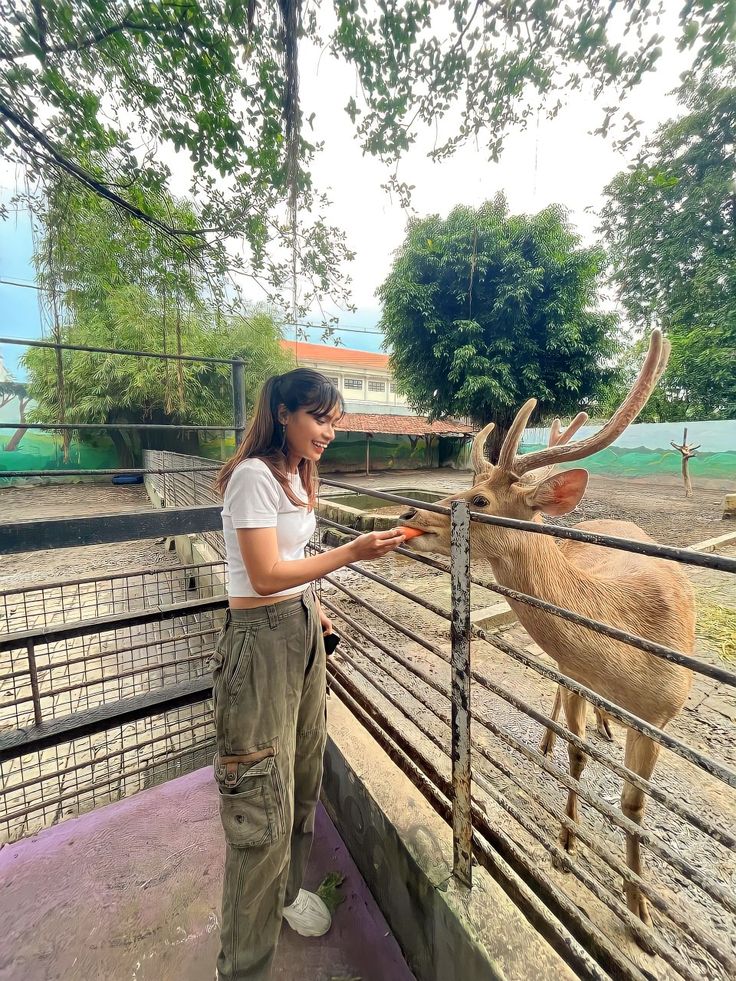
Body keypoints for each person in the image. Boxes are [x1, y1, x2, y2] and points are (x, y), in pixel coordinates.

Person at [212, 367, 405, 980]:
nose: (327, 432)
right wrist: (351, 552)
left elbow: (294, 564)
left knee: (302, 771)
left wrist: (316, 613)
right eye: (319, 419)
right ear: (283, 414)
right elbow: (265, 574)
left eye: (334, 423)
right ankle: (242, 967)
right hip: (258, 641)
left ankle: (289, 890)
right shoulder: (251, 478)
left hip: (299, 629)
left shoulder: (298, 477)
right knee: (259, 803)